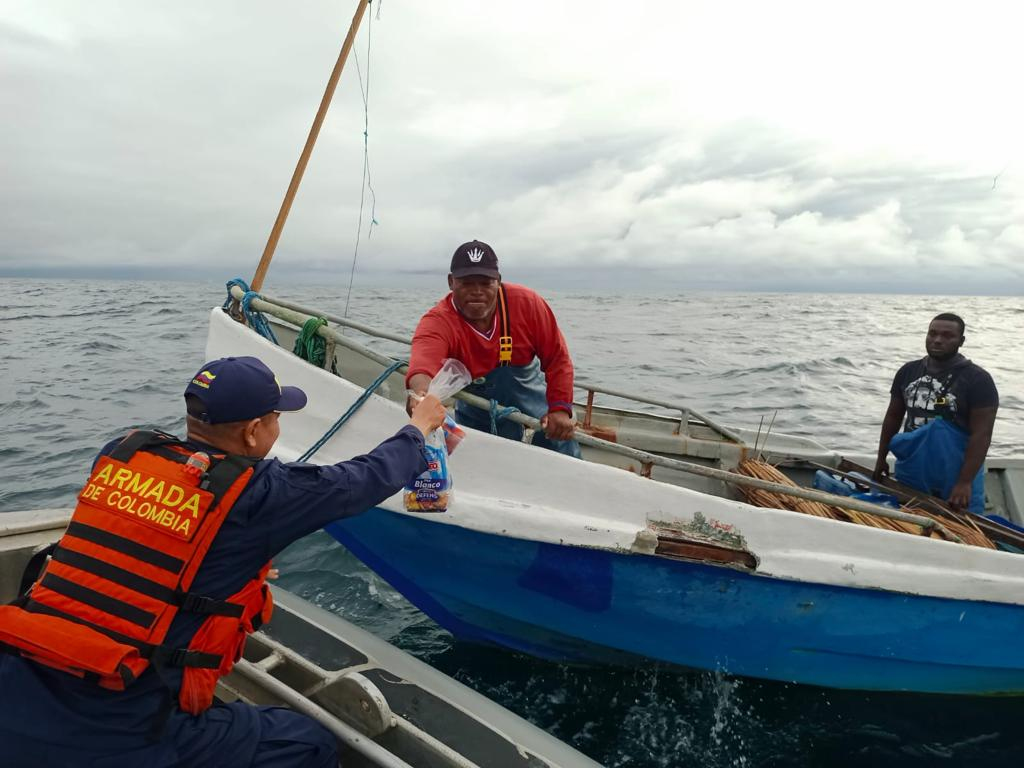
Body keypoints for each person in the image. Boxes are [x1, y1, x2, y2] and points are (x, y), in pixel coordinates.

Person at [0, 355, 447, 768]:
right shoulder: (259, 494)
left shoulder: (124, 452)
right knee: (307, 744)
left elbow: (144, 543)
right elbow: (363, 480)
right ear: (253, 431)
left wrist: (228, 564)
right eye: (275, 419)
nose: (276, 429)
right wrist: (418, 429)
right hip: (117, 727)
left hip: (17, 686)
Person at [405, 240, 581, 458]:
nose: (477, 291)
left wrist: (560, 409)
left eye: (485, 282)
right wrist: (420, 397)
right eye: (467, 283)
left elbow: (558, 359)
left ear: (498, 281)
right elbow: (423, 363)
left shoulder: (528, 304)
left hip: (539, 417)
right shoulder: (438, 321)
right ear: (451, 282)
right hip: (475, 418)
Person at [872, 313, 998, 513]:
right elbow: (893, 417)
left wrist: (964, 482)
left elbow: (981, 435)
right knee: (908, 518)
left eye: (948, 336)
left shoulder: (978, 379)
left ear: (961, 341)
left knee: (963, 529)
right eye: (933, 333)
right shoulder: (908, 371)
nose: (938, 340)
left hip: (956, 469)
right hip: (913, 466)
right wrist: (881, 458)